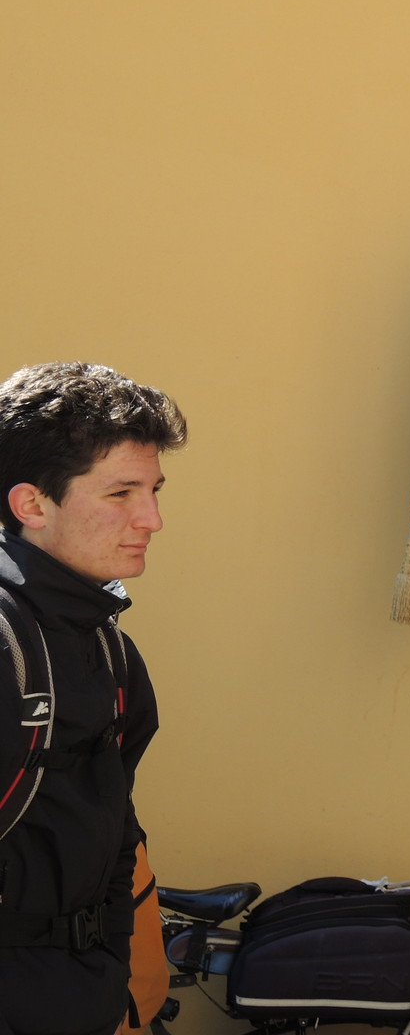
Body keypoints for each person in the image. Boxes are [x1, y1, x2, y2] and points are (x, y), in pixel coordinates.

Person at [0, 363, 185, 1035]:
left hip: (91, 1000)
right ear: (31, 505)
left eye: (155, 490)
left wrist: (118, 987)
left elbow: (114, 835)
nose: (152, 518)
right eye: (121, 493)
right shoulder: (8, 645)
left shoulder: (106, 646)